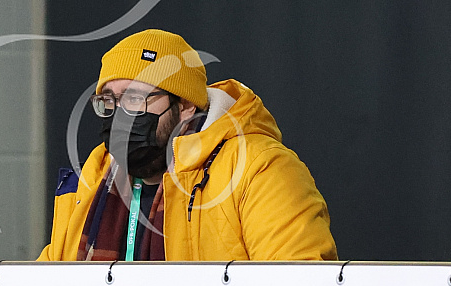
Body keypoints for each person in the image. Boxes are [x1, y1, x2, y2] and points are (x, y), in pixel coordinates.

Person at [37, 29, 337, 261]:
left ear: (185, 106)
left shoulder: (258, 169)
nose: (120, 116)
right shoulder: (89, 181)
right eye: (109, 101)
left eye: (135, 98)